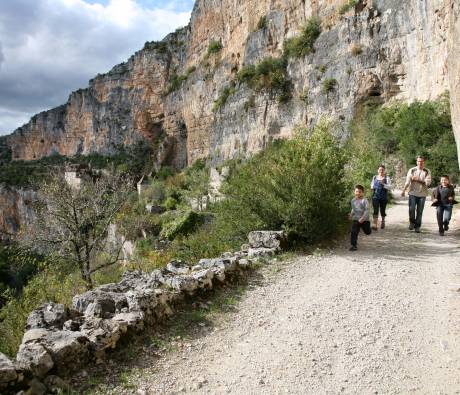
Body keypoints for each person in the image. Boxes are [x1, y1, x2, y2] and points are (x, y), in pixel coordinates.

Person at [401, 156, 432, 233]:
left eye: (421, 161)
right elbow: (408, 181)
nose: (420, 163)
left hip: (422, 194)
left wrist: (418, 179)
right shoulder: (412, 170)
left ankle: (417, 227)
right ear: (416, 162)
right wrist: (404, 190)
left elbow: (428, 183)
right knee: (411, 209)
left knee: (419, 211)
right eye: (418, 161)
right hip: (412, 193)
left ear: (424, 162)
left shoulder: (427, 171)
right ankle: (412, 222)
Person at [349, 184, 371, 251]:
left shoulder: (364, 200)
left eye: (360, 192)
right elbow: (353, 209)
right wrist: (351, 215)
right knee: (353, 232)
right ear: (354, 192)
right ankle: (354, 245)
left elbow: (367, 210)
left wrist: (363, 218)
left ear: (362, 193)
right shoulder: (353, 200)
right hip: (356, 219)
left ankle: (369, 229)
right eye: (356, 191)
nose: (358, 193)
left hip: (365, 220)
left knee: (367, 232)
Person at [370, 164, 391, 230]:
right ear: (377, 170)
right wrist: (373, 187)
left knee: (383, 210)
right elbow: (371, 186)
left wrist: (383, 184)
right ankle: (375, 224)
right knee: (375, 210)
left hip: (383, 196)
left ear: (384, 170)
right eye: (380, 170)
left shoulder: (387, 178)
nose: (381, 171)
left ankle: (383, 221)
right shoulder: (374, 177)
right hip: (375, 196)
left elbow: (389, 187)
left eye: (382, 170)